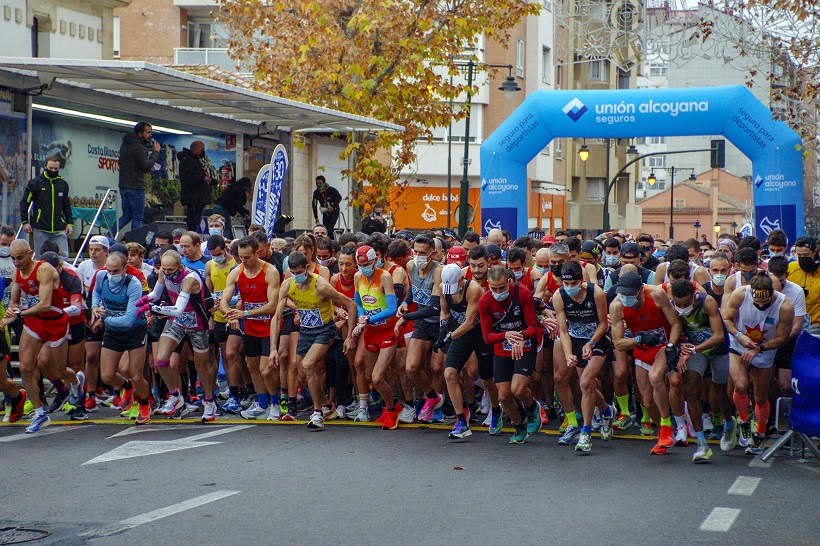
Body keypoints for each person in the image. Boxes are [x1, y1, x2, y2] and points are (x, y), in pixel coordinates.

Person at [270, 251, 357, 430]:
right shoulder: (288, 285)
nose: (296, 276)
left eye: (299, 272)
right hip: (306, 331)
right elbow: (276, 316)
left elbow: (351, 304)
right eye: (293, 273)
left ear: (307, 268)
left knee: (308, 365)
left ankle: (317, 414)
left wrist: (350, 337)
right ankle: (326, 405)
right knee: (301, 374)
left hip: (325, 330)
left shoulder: (321, 286)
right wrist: (273, 348)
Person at [1, 240, 81, 433]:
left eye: (20, 258)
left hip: (55, 321)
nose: (16, 262)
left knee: (57, 369)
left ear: (30, 254)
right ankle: (39, 413)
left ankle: (77, 382)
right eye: (13, 258)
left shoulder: (43, 270)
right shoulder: (17, 272)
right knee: (25, 367)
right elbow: (14, 303)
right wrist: (8, 316)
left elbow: (45, 304)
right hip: (34, 321)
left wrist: (19, 313)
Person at [609, 271, 684, 455]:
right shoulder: (617, 305)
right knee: (648, 402)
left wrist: (672, 346)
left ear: (640, 290)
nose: (625, 298)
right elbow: (618, 343)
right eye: (622, 294)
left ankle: (667, 424)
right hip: (642, 348)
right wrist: (640, 339)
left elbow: (675, 323)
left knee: (656, 376)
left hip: (663, 344)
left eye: (629, 294)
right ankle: (663, 432)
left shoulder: (657, 294)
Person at [138, 249, 216, 421]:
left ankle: (209, 401)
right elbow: (156, 294)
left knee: (201, 366)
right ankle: (175, 395)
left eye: (171, 270)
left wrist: (154, 308)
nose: (167, 273)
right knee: (161, 360)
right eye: (164, 269)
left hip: (197, 323)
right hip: (177, 321)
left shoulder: (189, 279)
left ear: (180, 267)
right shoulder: (163, 273)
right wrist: (145, 299)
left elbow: (179, 308)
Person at [723, 272, 794, 455]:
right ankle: (744, 421)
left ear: (771, 293)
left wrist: (759, 348)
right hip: (738, 345)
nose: (761, 305)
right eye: (757, 302)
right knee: (740, 385)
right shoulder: (740, 294)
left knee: (760, 397)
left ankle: (760, 433)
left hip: (765, 349)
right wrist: (739, 336)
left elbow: (782, 338)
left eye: (765, 302)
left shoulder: (785, 305)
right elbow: (727, 318)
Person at [552, 261, 614, 453]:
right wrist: (569, 353)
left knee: (586, 382)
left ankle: (586, 432)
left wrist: (591, 343)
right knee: (586, 384)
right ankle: (606, 410)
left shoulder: (596, 293)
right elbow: (563, 330)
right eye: (566, 284)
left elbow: (604, 323)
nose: (570, 288)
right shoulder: (559, 296)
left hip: (597, 338)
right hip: (576, 338)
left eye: (574, 283)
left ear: (582, 280)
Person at [219, 236, 281, 420]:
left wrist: (245, 314)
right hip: (251, 327)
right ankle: (262, 403)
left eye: (247, 257)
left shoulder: (270, 271)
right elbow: (224, 299)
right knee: (251, 365)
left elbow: (273, 305)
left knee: (266, 369)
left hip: (268, 325)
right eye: (240, 257)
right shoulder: (237, 271)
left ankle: (275, 403)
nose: (243, 261)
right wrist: (229, 313)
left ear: (257, 253)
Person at [479, 265, 542, 444]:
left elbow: (532, 326)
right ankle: (519, 425)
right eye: (494, 288)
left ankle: (531, 407)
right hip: (501, 348)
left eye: (502, 288)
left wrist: (520, 337)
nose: (498, 292)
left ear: (509, 282)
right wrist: (505, 336)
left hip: (525, 345)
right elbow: (487, 337)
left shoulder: (522, 293)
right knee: (504, 396)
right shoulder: (484, 301)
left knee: (518, 389)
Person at [670, 279, 730, 462]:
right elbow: (673, 331)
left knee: (720, 392)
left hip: (718, 349)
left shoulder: (707, 302)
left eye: (686, 303)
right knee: (690, 390)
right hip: (695, 351)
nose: (682, 307)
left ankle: (729, 425)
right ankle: (701, 442)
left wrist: (693, 349)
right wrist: (681, 348)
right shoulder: (671, 307)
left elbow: (719, 336)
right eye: (678, 303)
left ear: (693, 297)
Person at [92, 251, 152, 424]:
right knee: (107, 376)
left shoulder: (133, 284)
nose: (111, 275)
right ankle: (126, 386)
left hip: (134, 330)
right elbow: (96, 292)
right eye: (109, 270)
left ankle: (144, 403)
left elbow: (128, 320)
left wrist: (104, 318)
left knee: (136, 375)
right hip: (112, 331)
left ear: (126, 268)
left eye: (116, 271)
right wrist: (95, 306)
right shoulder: (101, 276)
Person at [439, 263, 497, 439]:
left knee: (486, 379)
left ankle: (496, 410)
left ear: (462, 280)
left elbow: (470, 322)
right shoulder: (444, 287)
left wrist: (448, 336)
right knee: (449, 374)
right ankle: (461, 421)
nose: (451, 291)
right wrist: (443, 327)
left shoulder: (473, 289)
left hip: (480, 334)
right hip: (461, 334)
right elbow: (444, 311)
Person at [352, 245, 401, 426]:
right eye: (360, 264)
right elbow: (357, 303)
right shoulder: (358, 277)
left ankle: (390, 409)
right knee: (369, 375)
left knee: (378, 376)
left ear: (374, 261)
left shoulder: (385, 277)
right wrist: (361, 318)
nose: (363, 267)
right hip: (371, 332)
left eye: (366, 263)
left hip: (387, 330)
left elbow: (392, 308)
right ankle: (391, 405)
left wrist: (370, 319)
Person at [21, 154, 73, 260]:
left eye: (56, 169)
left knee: (63, 257)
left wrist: (69, 223)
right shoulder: (35, 183)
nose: (53, 171)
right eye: (51, 168)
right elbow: (24, 202)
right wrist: (25, 222)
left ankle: (62, 276)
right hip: (41, 227)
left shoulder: (63, 184)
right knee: (41, 257)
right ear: (45, 166)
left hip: (59, 227)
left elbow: (66, 205)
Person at [118, 122, 160, 233]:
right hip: (136, 186)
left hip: (124, 186)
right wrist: (155, 153)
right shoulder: (139, 148)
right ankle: (135, 243)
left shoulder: (124, 145)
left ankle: (109, 234)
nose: (150, 135)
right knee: (137, 217)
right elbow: (146, 166)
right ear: (140, 133)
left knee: (126, 215)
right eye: (148, 132)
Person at [178, 140, 216, 232]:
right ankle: (192, 235)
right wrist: (202, 179)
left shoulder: (196, 161)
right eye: (202, 149)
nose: (203, 151)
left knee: (197, 219)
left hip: (198, 198)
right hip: (193, 197)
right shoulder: (188, 161)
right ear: (195, 150)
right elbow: (188, 178)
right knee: (193, 220)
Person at [787, 236, 820, 326]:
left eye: (806, 255)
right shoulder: (790, 268)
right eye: (799, 255)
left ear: (815, 252)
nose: (802, 258)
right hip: (795, 323)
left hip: (817, 325)